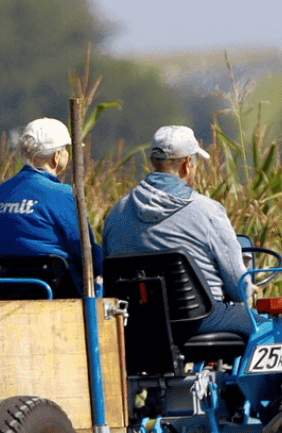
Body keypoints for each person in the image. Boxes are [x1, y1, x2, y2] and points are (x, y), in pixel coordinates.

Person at [102, 125, 253, 338]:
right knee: (263, 325)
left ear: (152, 163)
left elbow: (105, 273)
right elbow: (238, 287)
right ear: (187, 164)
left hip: (138, 324)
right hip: (199, 320)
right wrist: (248, 293)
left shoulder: (117, 212)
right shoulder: (208, 211)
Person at [0, 117, 102, 296]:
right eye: (66, 150)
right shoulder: (62, 194)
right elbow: (85, 253)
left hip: (6, 290)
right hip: (57, 291)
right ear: (56, 157)